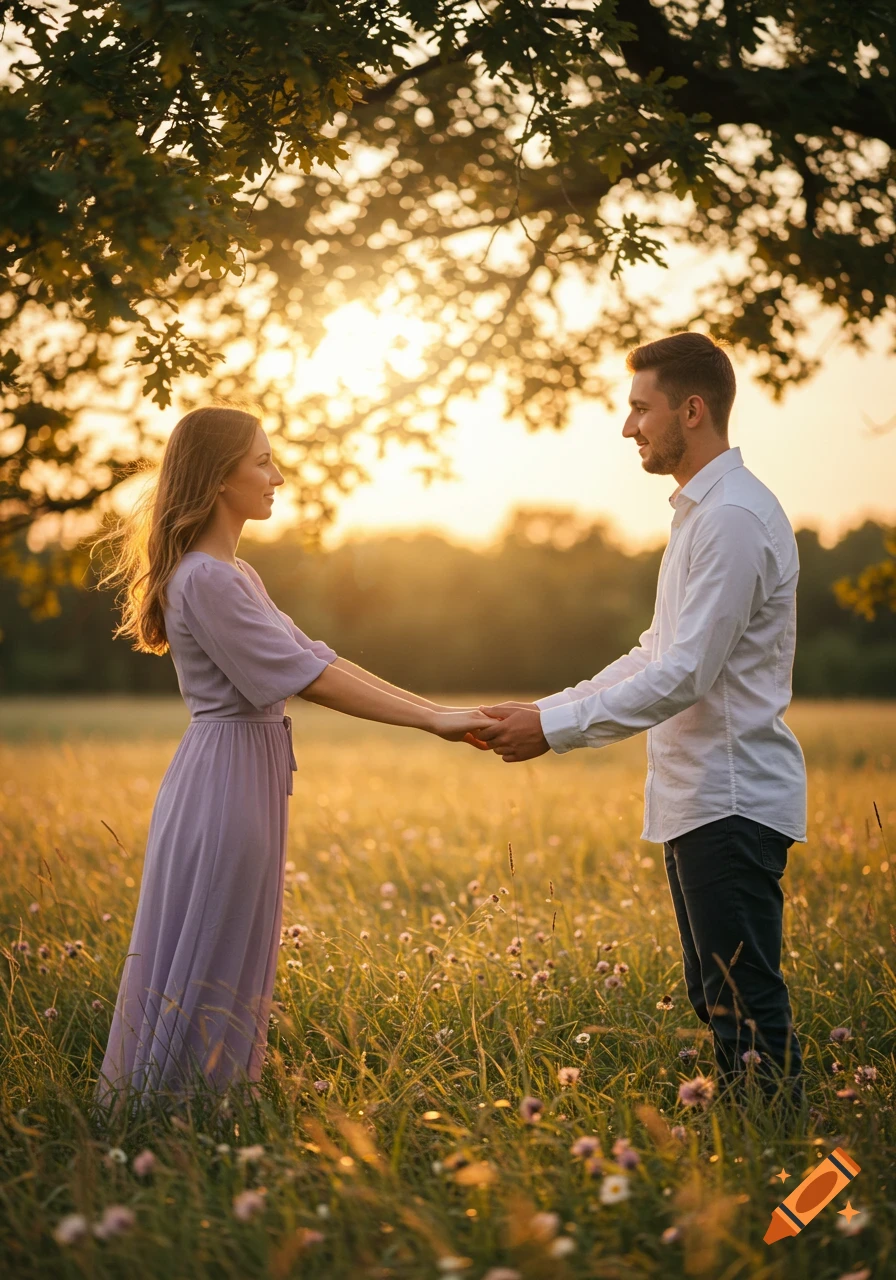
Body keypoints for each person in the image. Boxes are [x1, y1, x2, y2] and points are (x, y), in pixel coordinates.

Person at [91, 405, 491, 1114]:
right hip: (224, 781)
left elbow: (320, 658)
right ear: (220, 479)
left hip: (239, 770)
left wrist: (436, 712)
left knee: (229, 946)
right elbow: (309, 680)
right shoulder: (210, 579)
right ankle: (179, 1117)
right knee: (212, 948)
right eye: (262, 462)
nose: (278, 476)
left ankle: (202, 1111)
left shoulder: (231, 572)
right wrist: (432, 720)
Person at [477, 332, 807, 1115]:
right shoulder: (701, 514)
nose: (628, 428)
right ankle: (762, 1159)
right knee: (718, 1000)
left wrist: (553, 732)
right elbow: (654, 653)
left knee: (745, 1015)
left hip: (731, 798)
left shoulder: (731, 518)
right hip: (700, 800)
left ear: (692, 411)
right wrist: (545, 712)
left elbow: (685, 674)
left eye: (639, 409)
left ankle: (796, 1187)